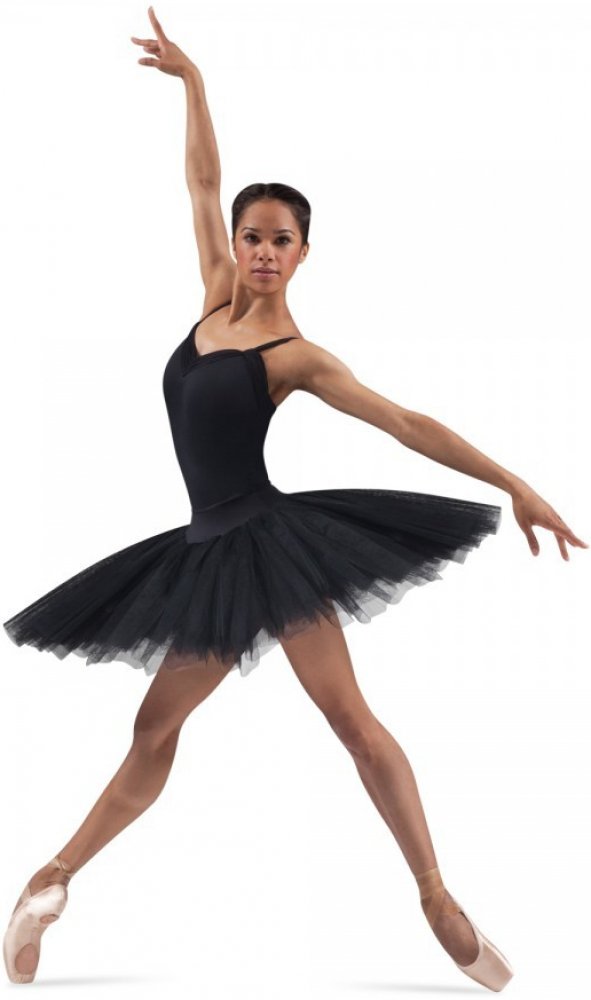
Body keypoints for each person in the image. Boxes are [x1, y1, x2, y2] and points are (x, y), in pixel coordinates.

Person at [3, 6, 587, 990]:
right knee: (153, 729)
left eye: (280, 240)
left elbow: (405, 423)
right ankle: (48, 883)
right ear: (235, 245)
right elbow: (200, 180)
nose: (262, 251)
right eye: (252, 237)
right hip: (203, 551)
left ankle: (437, 896)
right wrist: (192, 82)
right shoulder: (210, 302)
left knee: (351, 720)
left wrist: (515, 482)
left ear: (304, 252)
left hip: (271, 546)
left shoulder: (295, 356)